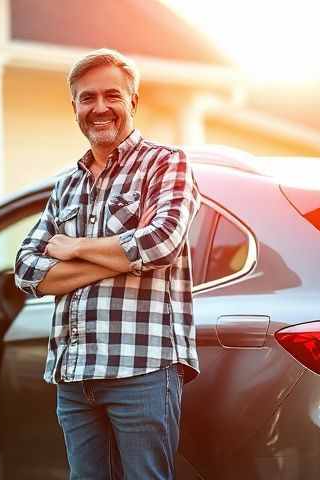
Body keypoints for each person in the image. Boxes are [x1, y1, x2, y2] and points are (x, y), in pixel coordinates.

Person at [14, 48, 202, 479]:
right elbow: (26, 269)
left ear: (132, 102)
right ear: (75, 107)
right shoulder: (66, 184)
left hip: (142, 369)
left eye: (112, 96)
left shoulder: (165, 163)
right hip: (74, 376)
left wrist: (75, 247)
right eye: (87, 98)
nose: (100, 108)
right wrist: (121, 257)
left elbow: (161, 243)